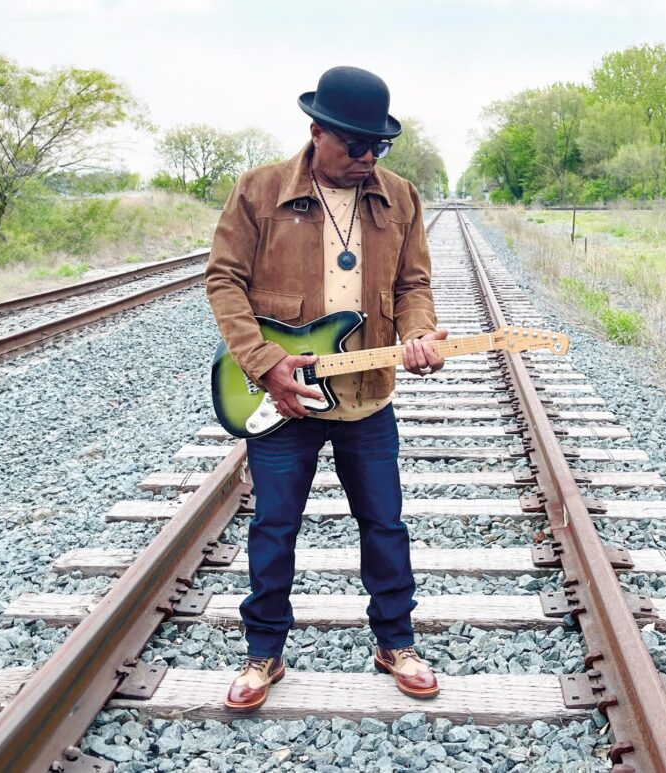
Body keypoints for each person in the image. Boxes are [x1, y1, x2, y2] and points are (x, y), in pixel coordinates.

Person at [206, 65, 447, 711]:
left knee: (384, 524)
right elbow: (223, 280)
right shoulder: (258, 191)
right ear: (317, 131)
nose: (368, 157)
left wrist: (420, 332)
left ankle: (396, 642)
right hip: (284, 398)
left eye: (379, 146)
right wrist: (264, 363)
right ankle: (263, 654)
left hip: (366, 393)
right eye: (355, 144)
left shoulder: (400, 195)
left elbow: (413, 284)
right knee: (274, 526)